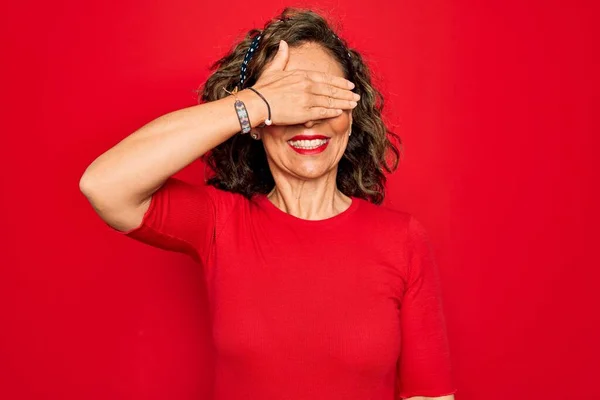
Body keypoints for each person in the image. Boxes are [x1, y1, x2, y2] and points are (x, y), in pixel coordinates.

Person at [79, 7, 456, 400]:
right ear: (257, 127)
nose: (308, 121)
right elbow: (104, 185)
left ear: (351, 113)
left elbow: (429, 396)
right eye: (291, 100)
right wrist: (255, 104)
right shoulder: (221, 223)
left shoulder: (402, 240)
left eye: (323, 97)